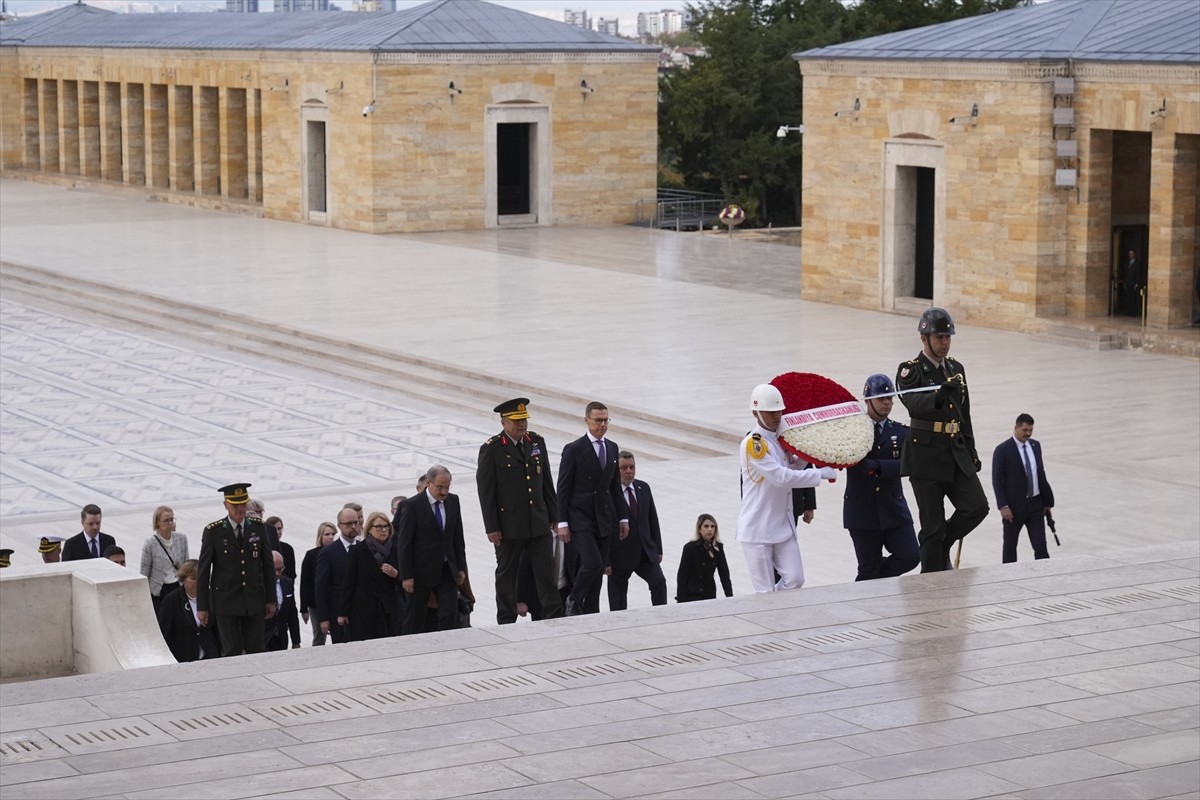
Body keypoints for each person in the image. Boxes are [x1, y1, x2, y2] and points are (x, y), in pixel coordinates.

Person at [895, 307, 989, 573]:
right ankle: (931, 577)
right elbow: (913, 404)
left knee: (977, 507)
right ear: (924, 338)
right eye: (939, 337)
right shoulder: (910, 371)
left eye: (948, 337)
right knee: (932, 526)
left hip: (955, 452)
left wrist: (971, 450)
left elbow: (964, 413)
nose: (945, 343)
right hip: (925, 458)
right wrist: (937, 396)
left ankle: (941, 545)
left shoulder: (956, 369)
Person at [737, 384, 837, 593]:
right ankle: (771, 620)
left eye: (779, 411)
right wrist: (821, 473)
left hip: (782, 526)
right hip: (758, 529)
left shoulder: (780, 440)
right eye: (771, 412)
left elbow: (790, 467)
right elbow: (781, 477)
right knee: (765, 592)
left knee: (795, 580)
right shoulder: (753, 445)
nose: (776, 417)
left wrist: (806, 455)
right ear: (756, 413)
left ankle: (777, 608)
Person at [477, 397, 563, 624]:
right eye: (516, 421)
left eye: (524, 420)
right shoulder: (492, 449)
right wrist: (492, 527)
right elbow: (486, 492)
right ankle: (506, 620)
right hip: (509, 527)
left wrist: (554, 516)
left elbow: (546, 481)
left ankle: (554, 617)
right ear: (504, 422)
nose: (522, 425)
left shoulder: (536, 442)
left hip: (538, 523)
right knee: (507, 576)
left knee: (546, 574)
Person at [842, 374, 920, 581]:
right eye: (881, 399)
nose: (887, 403)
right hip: (862, 511)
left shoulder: (901, 432)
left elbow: (909, 464)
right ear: (868, 401)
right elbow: (852, 462)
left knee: (910, 556)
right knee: (868, 568)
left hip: (893, 508)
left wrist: (876, 466)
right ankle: (870, 585)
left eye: (890, 399)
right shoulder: (853, 431)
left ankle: (873, 581)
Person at [557, 402, 628, 616]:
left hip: (603, 518)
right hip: (580, 517)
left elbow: (614, 487)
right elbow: (563, 487)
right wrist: (562, 522)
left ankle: (591, 613)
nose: (602, 424)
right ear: (587, 420)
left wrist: (623, 518)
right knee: (593, 562)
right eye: (598, 420)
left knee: (598, 574)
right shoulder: (574, 449)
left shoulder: (612, 448)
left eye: (606, 420)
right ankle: (574, 598)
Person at [196, 483, 277, 656]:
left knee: (256, 649)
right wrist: (202, 606)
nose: (240, 508)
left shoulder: (258, 527)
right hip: (226, 600)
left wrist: (271, 599)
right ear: (225, 505)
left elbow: (268, 565)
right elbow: (203, 571)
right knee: (231, 650)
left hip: (254, 598)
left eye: (243, 503)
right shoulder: (214, 531)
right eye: (235, 504)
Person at [398, 465, 468, 634]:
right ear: (428, 483)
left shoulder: (453, 501)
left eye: (447, 487)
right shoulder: (412, 505)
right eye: (440, 487)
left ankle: (446, 648)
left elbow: (458, 537)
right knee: (415, 616)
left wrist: (460, 566)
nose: (444, 491)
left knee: (449, 613)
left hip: (447, 569)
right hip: (421, 571)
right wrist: (406, 575)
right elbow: (404, 543)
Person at [992, 413, 1056, 563]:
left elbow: (1040, 473)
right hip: (1014, 509)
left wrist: (1047, 502)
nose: (1028, 434)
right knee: (1010, 546)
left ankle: (1044, 574)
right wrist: (1003, 505)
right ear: (1016, 428)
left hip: (1036, 505)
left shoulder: (1036, 445)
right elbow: (997, 479)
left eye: (1030, 430)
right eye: (1025, 430)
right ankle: (1009, 576)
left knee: (1040, 545)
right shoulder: (1003, 450)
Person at [608, 451, 667, 610]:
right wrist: (606, 560)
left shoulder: (643, 488)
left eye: (632, 467)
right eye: (624, 468)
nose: (629, 471)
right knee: (618, 598)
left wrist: (658, 550)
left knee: (659, 582)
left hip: (645, 553)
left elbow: (653, 520)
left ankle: (662, 615)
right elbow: (604, 528)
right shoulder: (608, 493)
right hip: (620, 556)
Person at [337, 511, 403, 640]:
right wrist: (343, 612)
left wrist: (396, 574)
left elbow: (406, 580)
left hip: (390, 607)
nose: (383, 530)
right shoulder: (358, 551)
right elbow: (349, 582)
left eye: (386, 526)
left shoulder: (396, 549)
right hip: (365, 609)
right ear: (369, 529)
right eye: (378, 527)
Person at [157, 560, 222, 663]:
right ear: (184, 579)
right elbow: (164, 632)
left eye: (201, 578)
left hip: (210, 656)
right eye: (193, 578)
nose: (198, 582)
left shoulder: (211, 596)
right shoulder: (171, 600)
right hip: (184, 657)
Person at [316, 507, 360, 644]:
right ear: (339, 525)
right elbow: (321, 586)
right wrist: (324, 618)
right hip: (338, 614)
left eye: (356, 522)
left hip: (362, 611)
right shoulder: (328, 552)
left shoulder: (364, 547)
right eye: (348, 524)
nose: (353, 526)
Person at [140, 505, 189, 611]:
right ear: (158, 522)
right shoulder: (150, 543)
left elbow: (186, 565)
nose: (170, 523)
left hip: (177, 586)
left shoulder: (182, 539)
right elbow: (144, 572)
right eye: (166, 520)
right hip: (159, 590)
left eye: (172, 519)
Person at [676, 514, 732, 602]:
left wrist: (730, 597)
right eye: (706, 526)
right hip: (692, 595)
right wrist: (681, 601)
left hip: (709, 593)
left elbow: (724, 573)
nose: (710, 529)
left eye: (712, 526)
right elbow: (682, 575)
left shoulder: (718, 548)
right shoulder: (690, 548)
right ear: (699, 529)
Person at [300, 521, 337, 646]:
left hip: (334, 601)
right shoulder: (311, 555)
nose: (331, 537)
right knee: (319, 636)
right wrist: (304, 608)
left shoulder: (338, 552)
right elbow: (305, 582)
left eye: (333, 534)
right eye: (327, 534)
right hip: (315, 603)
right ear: (320, 536)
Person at [264, 551, 302, 650]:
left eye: (280, 569)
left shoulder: (287, 583)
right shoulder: (258, 585)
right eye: (274, 569)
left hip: (280, 638)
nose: (277, 573)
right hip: (262, 638)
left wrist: (296, 641)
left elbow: (292, 614)